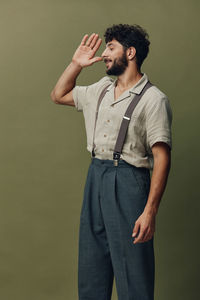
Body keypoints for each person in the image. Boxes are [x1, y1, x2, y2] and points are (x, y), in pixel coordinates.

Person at [50, 23, 172, 300]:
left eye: (111, 47)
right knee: (92, 267)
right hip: (96, 177)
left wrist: (150, 211)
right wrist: (75, 65)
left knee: (133, 272)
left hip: (129, 182)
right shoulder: (101, 89)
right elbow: (58, 95)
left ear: (130, 53)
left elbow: (162, 157)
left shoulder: (154, 99)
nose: (104, 54)